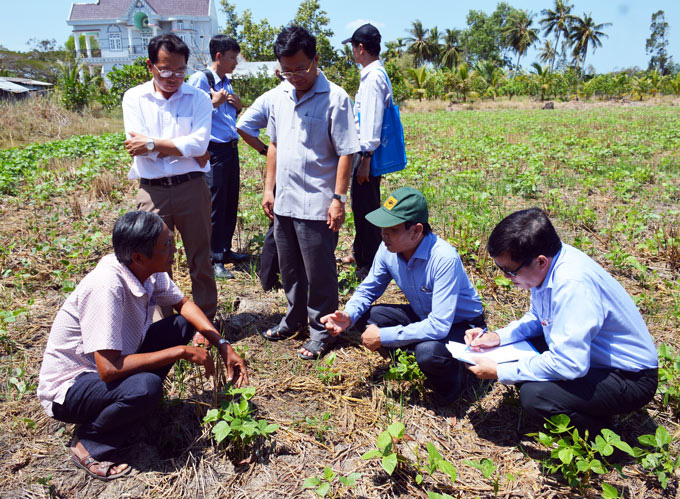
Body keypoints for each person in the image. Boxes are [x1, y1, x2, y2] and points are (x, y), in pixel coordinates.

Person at [37, 211, 248, 481]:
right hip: (71, 387)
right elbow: (108, 370)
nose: (174, 250)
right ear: (139, 257)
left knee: (181, 325)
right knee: (146, 387)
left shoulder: (146, 271)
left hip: (113, 360)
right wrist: (182, 351)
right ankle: (90, 441)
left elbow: (183, 304)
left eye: (171, 241)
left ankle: (133, 408)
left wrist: (223, 344)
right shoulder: (106, 287)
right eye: (166, 246)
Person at [465, 207, 658, 434]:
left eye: (510, 271)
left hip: (629, 376)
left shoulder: (572, 285)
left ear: (540, 261)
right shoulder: (550, 265)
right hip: (591, 358)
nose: (505, 277)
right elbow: (539, 318)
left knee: (535, 395)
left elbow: (570, 364)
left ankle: (602, 438)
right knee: (521, 355)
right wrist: (497, 337)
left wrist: (501, 370)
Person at [322, 187, 485, 403]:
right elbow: (369, 288)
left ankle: (452, 379)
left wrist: (384, 337)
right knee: (366, 317)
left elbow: (439, 326)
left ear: (417, 231)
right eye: (382, 228)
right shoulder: (388, 248)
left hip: (462, 325)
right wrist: (348, 315)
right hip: (424, 314)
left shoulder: (444, 258)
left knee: (428, 352)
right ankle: (414, 359)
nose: (384, 234)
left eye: (392, 229)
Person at [261, 25, 360, 360]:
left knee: (319, 273)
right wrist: (268, 188)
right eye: (286, 70)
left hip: (318, 203)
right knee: (289, 269)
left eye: (301, 68)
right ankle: (293, 319)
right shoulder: (279, 96)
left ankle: (322, 331)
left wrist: (339, 199)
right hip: (285, 200)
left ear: (316, 59)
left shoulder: (336, 98)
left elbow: (347, 151)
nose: (294, 76)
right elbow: (273, 144)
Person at [122, 33, 217, 318]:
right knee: (157, 263)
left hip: (192, 188)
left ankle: (204, 322)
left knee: (200, 259)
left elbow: (199, 145)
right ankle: (165, 324)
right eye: (165, 69)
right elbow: (136, 148)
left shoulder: (198, 98)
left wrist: (152, 143)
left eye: (179, 70)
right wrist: (183, 147)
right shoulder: (134, 98)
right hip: (152, 191)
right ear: (151, 65)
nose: (172, 77)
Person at [188, 35, 248, 280]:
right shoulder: (201, 79)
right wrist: (214, 101)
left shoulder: (226, 82)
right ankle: (213, 259)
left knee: (229, 201)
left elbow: (226, 114)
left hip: (230, 147)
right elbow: (191, 112)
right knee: (214, 205)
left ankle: (224, 249)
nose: (236, 62)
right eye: (233, 57)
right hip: (214, 149)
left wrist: (238, 105)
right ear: (219, 56)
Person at [341, 24, 392, 279]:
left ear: (360, 48)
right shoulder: (373, 74)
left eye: (353, 47)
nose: (352, 52)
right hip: (365, 154)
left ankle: (370, 263)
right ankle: (361, 252)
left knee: (367, 209)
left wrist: (366, 159)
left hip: (366, 154)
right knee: (361, 206)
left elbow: (371, 120)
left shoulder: (373, 78)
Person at [235, 70, 285, 291]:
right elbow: (243, 126)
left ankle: (271, 277)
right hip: (285, 166)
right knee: (279, 222)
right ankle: (269, 279)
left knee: (280, 222)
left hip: (284, 165)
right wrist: (266, 150)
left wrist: (264, 150)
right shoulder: (275, 97)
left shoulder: (270, 96)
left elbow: (243, 125)